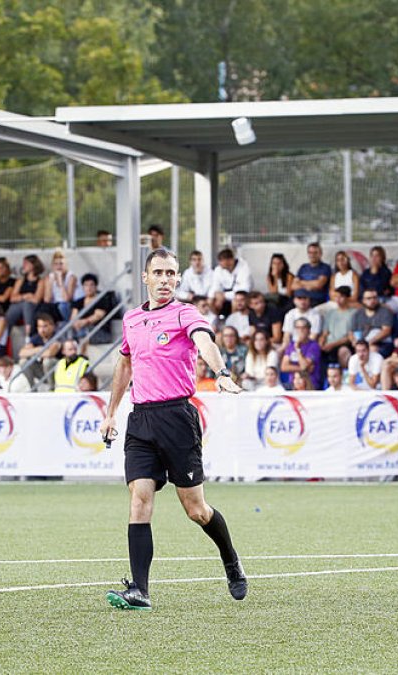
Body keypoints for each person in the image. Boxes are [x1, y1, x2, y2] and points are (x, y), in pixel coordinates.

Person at [99, 248, 246, 611]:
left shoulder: (185, 314)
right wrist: (111, 413)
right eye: (159, 273)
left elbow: (204, 343)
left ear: (178, 279)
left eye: (171, 273)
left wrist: (221, 373)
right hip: (141, 420)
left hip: (178, 418)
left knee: (195, 509)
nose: (165, 280)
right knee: (139, 499)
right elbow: (123, 367)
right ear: (145, 278)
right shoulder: (131, 319)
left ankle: (230, 559)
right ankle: (140, 591)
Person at [5, 254, 48, 341]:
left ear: (33, 265)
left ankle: (28, 335)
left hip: (33, 308)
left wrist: (22, 298)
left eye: (26, 263)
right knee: (18, 306)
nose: (23, 266)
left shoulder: (40, 281)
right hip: (18, 307)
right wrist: (26, 296)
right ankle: (5, 333)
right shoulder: (20, 280)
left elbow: (36, 300)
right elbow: (12, 298)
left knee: (27, 304)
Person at [69, 274, 117, 343]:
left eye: (91, 285)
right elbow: (73, 317)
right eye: (86, 285)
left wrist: (83, 322)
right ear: (82, 287)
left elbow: (98, 316)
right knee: (68, 328)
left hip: (99, 331)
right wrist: (76, 323)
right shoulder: (78, 302)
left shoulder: (102, 299)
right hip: (83, 330)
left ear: (96, 286)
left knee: (84, 333)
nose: (89, 288)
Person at [318, 286, 357, 368]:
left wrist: (332, 345)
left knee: (343, 351)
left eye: (341, 297)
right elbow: (325, 333)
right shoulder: (331, 313)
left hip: (344, 343)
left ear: (348, 298)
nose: (338, 299)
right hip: (328, 343)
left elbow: (349, 337)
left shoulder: (354, 313)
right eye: (336, 297)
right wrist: (321, 342)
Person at [281, 317, 323, 390]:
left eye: (304, 328)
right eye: (298, 328)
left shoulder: (314, 346)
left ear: (309, 330)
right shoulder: (291, 345)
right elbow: (284, 367)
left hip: (310, 384)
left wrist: (298, 349)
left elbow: (304, 365)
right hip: (293, 384)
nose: (301, 330)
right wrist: (303, 369)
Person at [209, 248, 252, 316]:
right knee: (210, 301)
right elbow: (215, 286)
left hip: (241, 296)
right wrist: (216, 295)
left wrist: (224, 295)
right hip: (223, 296)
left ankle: (233, 324)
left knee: (235, 302)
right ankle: (217, 322)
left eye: (225, 263)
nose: (222, 266)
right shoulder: (219, 269)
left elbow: (244, 290)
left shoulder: (244, 268)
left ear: (231, 260)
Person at [45, 250, 79, 322]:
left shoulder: (71, 277)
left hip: (67, 305)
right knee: (44, 308)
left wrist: (61, 283)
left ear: (65, 265)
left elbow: (67, 299)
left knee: (62, 306)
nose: (58, 266)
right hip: (54, 305)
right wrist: (50, 284)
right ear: (53, 266)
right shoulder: (49, 277)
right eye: (56, 264)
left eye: (61, 264)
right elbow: (47, 300)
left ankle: (69, 325)